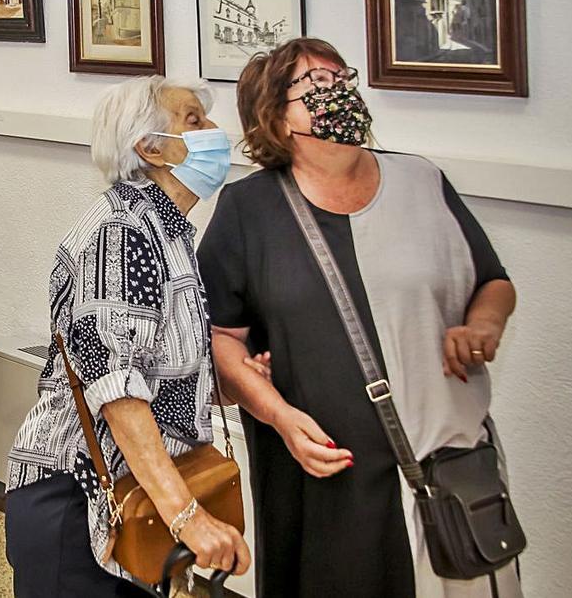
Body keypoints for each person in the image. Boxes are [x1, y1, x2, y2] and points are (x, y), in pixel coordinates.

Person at [196, 38, 521, 598]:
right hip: (324, 480)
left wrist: (484, 326)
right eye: (314, 87)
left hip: (444, 468)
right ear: (276, 118)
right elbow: (220, 338)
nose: (337, 94)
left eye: (340, 78)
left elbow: (493, 281)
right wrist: (275, 414)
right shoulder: (249, 210)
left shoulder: (421, 182)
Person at [5, 76, 257, 597]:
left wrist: (227, 381)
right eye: (194, 120)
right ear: (150, 148)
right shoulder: (121, 232)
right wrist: (186, 515)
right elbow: (117, 390)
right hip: (78, 503)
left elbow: (155, 366)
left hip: (132, 500)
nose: (215, 131)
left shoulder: (167, 231)